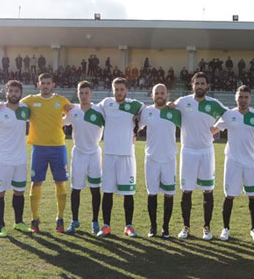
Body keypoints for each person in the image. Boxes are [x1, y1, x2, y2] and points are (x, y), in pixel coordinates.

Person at [212, 85, 254, 241]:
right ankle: (225, 228)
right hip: (233, 161)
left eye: (246, 97)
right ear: (235, 98)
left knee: (253, 196)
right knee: (229, 196)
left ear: (249, 99)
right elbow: (213, 130)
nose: (243, 100)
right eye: (240, 97)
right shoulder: (228, 115)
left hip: (251, 162)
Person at [173, 72, 227, 240]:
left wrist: (217, 128)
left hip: (206, 152)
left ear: (207, 86)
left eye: (203, 83)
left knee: (207, 191)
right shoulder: (183, 102)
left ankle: (207, 228)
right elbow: (170, 108)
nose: (200, 86)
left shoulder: (214, 104)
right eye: (197, 83)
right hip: (188, 151)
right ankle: (186, 227)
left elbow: (229, 116)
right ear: (192, 85)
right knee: (186, 191)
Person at [21, 73, 72, 233]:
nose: (45, 85)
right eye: (42, 83)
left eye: (48, 83)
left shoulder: (61, 101)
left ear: (53, 85)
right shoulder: (30, 100)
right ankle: (35, 219)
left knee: (60, 182)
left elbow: (74, 112)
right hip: (39, 148)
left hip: (58, 147)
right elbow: (14, 106)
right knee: (36, 183)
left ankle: (60, 218)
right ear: (38, 85)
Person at [0, 80, 32, 237]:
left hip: (20, 160)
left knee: (19, 192)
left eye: (17, 91)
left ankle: (18, 222)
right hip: (2, 160)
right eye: (11, 91)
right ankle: (1, 226)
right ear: (6, 93)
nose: (14, 94)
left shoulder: (24, 109)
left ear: (21, 94)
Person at [95, 77, 144, 238]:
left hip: (126, 155)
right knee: (107, 192)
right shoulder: (106, 103)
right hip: (109, 155)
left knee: (128, 193)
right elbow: (91, 110)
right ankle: (106, 226)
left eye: (122, 89)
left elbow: (146, 111)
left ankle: (128, 226)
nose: (119, 92)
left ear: (127, 91)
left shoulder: (135, 105)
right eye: (116, 89)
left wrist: (137, 124)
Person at [138, 84, 181, 238]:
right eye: (157, 93)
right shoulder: (147, 112)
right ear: (152, 95)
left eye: (162, 92)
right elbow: (135, 127)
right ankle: (153, 227)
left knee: (169, 194)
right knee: (152, 194)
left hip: (169, 159)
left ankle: (165, 228)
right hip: (152, 159)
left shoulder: (174, 112)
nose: (160, 95)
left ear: (167, 95)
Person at [62, 81, 105, 235]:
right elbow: (59, 123)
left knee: (95, 189)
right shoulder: (73, 111)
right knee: (76, 189)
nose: (84, 96)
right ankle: (74, 220)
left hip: (94, 154)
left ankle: (95, 221)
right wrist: (63, 110)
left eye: (87, 93)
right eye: (81, 93)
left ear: (91, 94)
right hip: (78, 154)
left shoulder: (100, 111)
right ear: (77, 93)